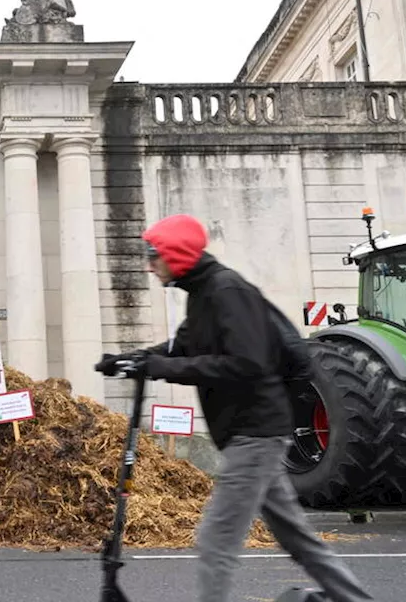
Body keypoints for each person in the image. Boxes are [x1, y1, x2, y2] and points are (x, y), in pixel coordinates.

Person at [95, 213, 376, 602]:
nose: (149, 264)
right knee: (298, 539)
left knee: (215, 540)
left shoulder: (227, 290)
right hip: (250, 433)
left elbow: (247, 364)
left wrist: (160, 366)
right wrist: (131, 359)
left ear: (175, 255)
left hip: (255, 432)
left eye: (153, 255)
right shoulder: (201, 295)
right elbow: (181, 350)